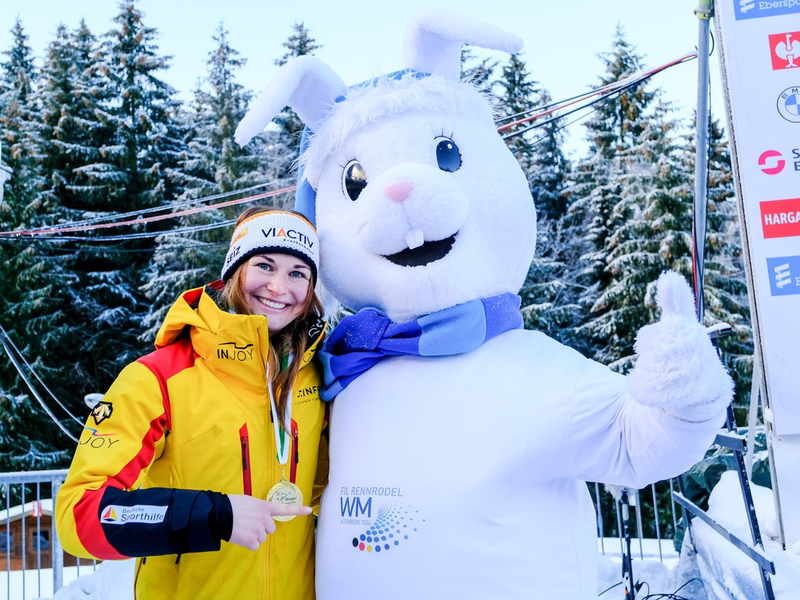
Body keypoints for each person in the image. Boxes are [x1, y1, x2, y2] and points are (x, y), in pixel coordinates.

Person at [55, 208, 329, 600]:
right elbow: (80, 515)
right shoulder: (157, 378)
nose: (278, 286)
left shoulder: (318, 376)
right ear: (235, 271)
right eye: (264, 265)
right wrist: (214, 515)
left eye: (297, 273)